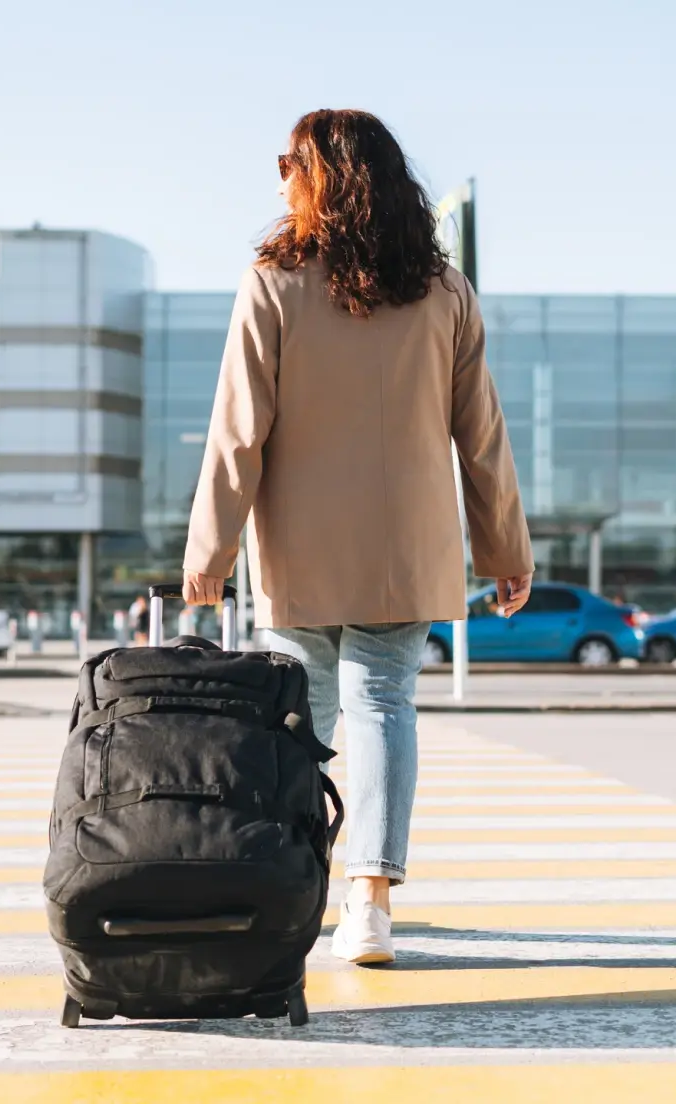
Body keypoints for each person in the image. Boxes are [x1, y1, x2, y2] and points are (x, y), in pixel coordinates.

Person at [182, 109, 533, 965]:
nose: (275, 179)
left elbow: (238, 435)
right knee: (384, 705)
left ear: (317, 178)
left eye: (285, 163)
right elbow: (479, 433)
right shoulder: (444, 290)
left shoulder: (273, 282)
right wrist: (506, 551)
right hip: (406, 546)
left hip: (300, 547)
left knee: (302, 719)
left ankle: (298, 882)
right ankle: (369, 902)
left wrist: (210, 557)